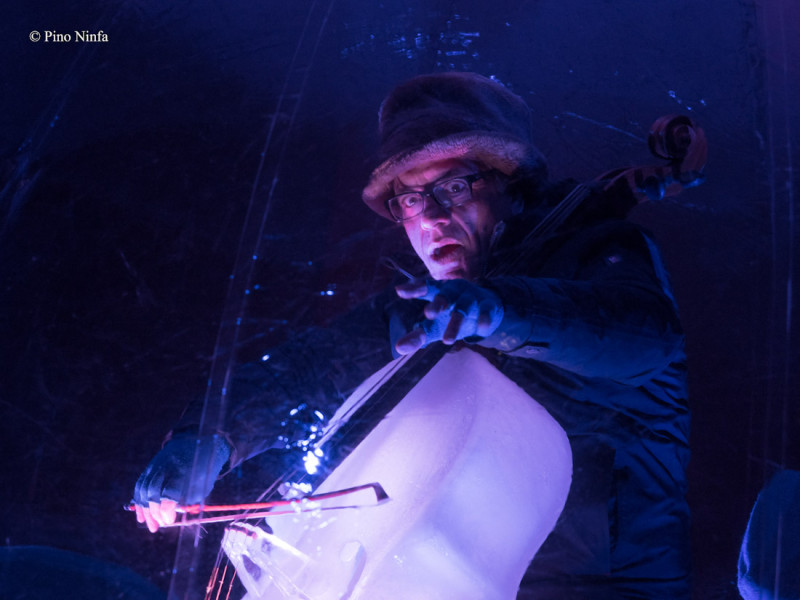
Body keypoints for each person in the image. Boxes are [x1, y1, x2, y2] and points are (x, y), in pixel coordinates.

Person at [132, 72, 691, 598]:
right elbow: (304, 369)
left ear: (513, 189)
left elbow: (641, 337)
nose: (432, 217)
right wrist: (208, 436)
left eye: (454, 186)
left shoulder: (600, 252)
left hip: (603, 587)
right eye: (410, 199)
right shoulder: (423, 307)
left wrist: (501, 313)